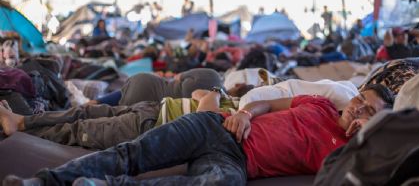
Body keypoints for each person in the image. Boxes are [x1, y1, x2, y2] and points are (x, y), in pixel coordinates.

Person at [3, 84, 394, 185]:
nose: (357, 108)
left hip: (235, 159)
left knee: (220, 182)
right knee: (130, 151)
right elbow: (270, 104)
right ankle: (41, 182)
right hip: (215, 125)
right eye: (360, 99)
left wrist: (364, 136)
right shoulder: (321, 105)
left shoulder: (348, 151)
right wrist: (243, 112)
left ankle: (100, 184)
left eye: (368, 111)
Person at [0, 85, 249, 150]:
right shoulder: (242, 105)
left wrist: (216, 94)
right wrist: (214, 95)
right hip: (151, 108)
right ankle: (21, 121)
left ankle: (20, 132)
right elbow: (197, 93)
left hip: (150, 125)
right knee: (82, 111)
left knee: (80, 130)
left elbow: (204, 113)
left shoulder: (242, 118)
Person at [91, 68, 223, 106]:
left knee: (123, 92)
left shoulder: (212, 74)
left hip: (146, 83)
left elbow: (177, 77)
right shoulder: (217, 102)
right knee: (111, 115)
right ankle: (95, 105)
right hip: (149, 108)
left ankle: (94, 102)